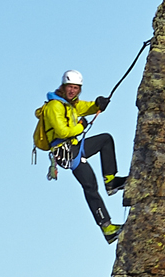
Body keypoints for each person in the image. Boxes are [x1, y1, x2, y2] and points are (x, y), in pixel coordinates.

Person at [34, 69, 129, 243]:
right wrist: (81, 126)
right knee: (90, 185)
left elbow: (85, 107)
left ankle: (111, 181)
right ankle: (107, 228)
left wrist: (98, 104)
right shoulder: (55, 106)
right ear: (63, 87)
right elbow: (62, 131)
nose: (72, 91)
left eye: (76, 88)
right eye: (70, 87)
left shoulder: (69, 104)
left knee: (105, 140)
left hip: (74, 147)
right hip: (66, 152)